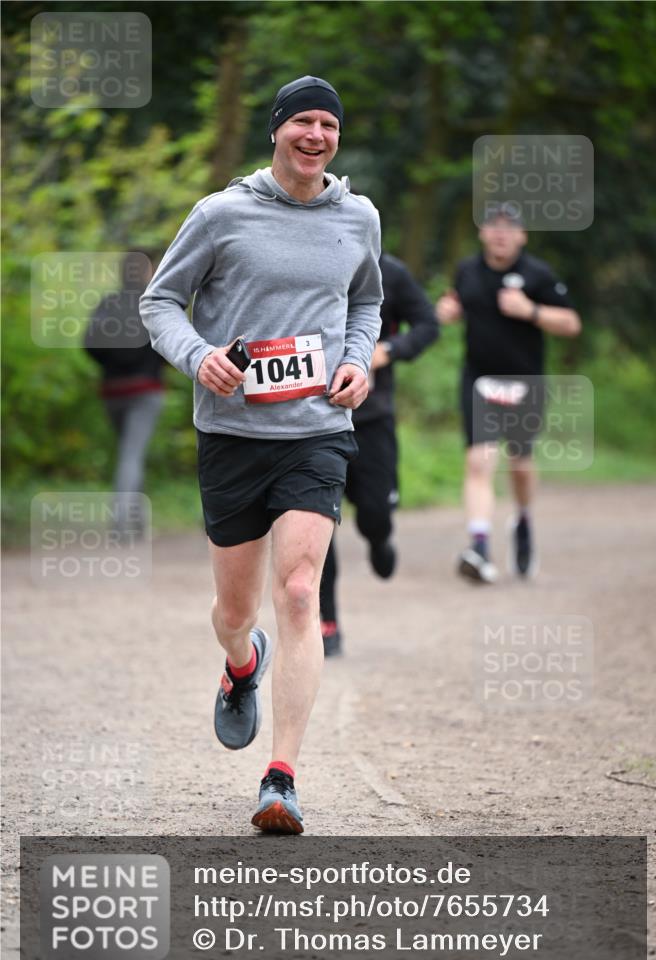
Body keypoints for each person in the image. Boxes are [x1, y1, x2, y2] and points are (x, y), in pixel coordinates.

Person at [139, 76, 382, 833]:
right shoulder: (221, 213)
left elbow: (367, 300)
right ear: (277, 130)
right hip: (233, 435)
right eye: (303, 122)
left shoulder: (359, 217)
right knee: (235, 610)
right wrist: (198, 355)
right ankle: (242, 662)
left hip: (316, 430)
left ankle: (281, 777)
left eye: (329, 126)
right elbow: (157, 302)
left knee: (301, 591)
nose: (316, 136)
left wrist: (358, 360)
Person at [436, 204, 581, 583]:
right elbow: (452, 307)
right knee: (479, 461)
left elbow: (570, 323)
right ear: (482, 232)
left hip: (524, 381)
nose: (501, 233)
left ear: (522, 235)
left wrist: (530, 311)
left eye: (509, 227)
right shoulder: (467, 271)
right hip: (479, 379)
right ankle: (480, 547)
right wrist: (447, 312)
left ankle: (523, 519)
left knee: (519, 463)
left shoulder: (538, 274)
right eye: (493, 225)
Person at [319, 252, 439, 656]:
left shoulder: (390, 271)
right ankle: (326, 623)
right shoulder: (307, 263)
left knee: (373, 512)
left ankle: (379, 537)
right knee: (313, 527)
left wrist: (390, 349)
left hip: (373, 418)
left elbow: (428, 323)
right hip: (313, 421)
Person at [84, 250, 164, 537]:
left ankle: (137, 523)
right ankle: (121, 525)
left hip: (112, 391)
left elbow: (89, 344)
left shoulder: (108, 303)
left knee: (130, 454)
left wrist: (111, 365)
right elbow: (170, 343)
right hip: (145, 390)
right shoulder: (153, 303)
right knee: (131, 455)